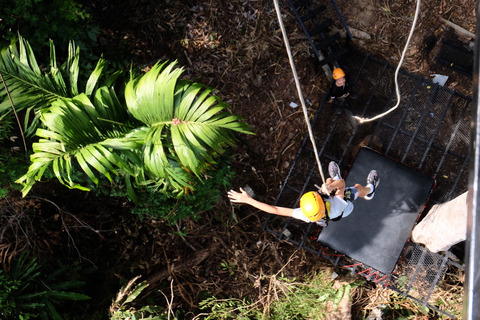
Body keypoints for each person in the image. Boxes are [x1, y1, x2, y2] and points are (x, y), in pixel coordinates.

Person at [228, 162, 379, 227]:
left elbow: (275, 210)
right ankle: (370, 190)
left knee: (327, 180)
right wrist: (331, 186)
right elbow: (342, 185)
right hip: (345, 209)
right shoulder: (337, 206)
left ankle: (331, 179)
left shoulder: (306, 214)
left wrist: (248, 200)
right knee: (356, 189)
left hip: (329, 207)